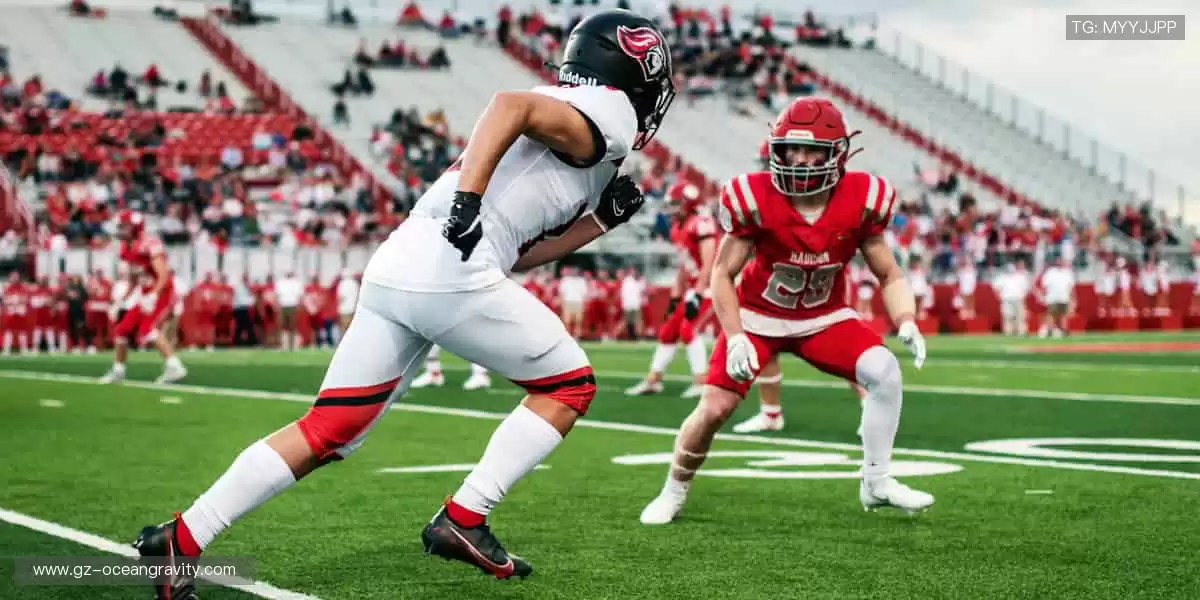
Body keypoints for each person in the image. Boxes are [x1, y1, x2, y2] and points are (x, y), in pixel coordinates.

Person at [133, 8, 675, 592]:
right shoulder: (609, 113)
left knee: (328, 427)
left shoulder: (581, 128)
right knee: (569, 385)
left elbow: (517, 254)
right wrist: (469, 199)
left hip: (403, 263)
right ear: (632, 72)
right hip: (450, 267)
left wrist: (597, 222)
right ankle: (465, 516)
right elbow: (508, 106)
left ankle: (181, 538)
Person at [639, 96, 932, 526]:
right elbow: (722, 273)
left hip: (823, 318)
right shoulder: (755, 197)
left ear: (838, 154)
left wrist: (906, 320)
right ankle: (673, 489)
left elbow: (889, 273)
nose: (797, 160)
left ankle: (876, 481)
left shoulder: (862, 198)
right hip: (758, 318)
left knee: (885, 371)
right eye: (790, 149)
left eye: (810, 150)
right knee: (714, 408)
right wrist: (735, 336)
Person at [625, 181, 716, 398]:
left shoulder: (702, 224)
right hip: (693, 287)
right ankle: (653, 380)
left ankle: (701, 381)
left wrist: (698, 293)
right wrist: (675, 298)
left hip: (712, 287)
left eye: (676, 203)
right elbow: (683, 267)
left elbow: (710, 264)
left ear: (688, 203)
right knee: (668, 331)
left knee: (688, 330)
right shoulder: (677, 228)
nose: (672, 208)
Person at [99, 210, 187, 384]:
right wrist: (120, 301)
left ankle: (175, 367)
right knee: (122, 329)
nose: (120, 230)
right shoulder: (126, 247)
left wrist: (154, 295)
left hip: (163, 292)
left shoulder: (149, 244)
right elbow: (133, 278)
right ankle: (118, 370)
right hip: (147, 292)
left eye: (124, 226)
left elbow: (164, 276)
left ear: (134, 227)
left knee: (148, 329)